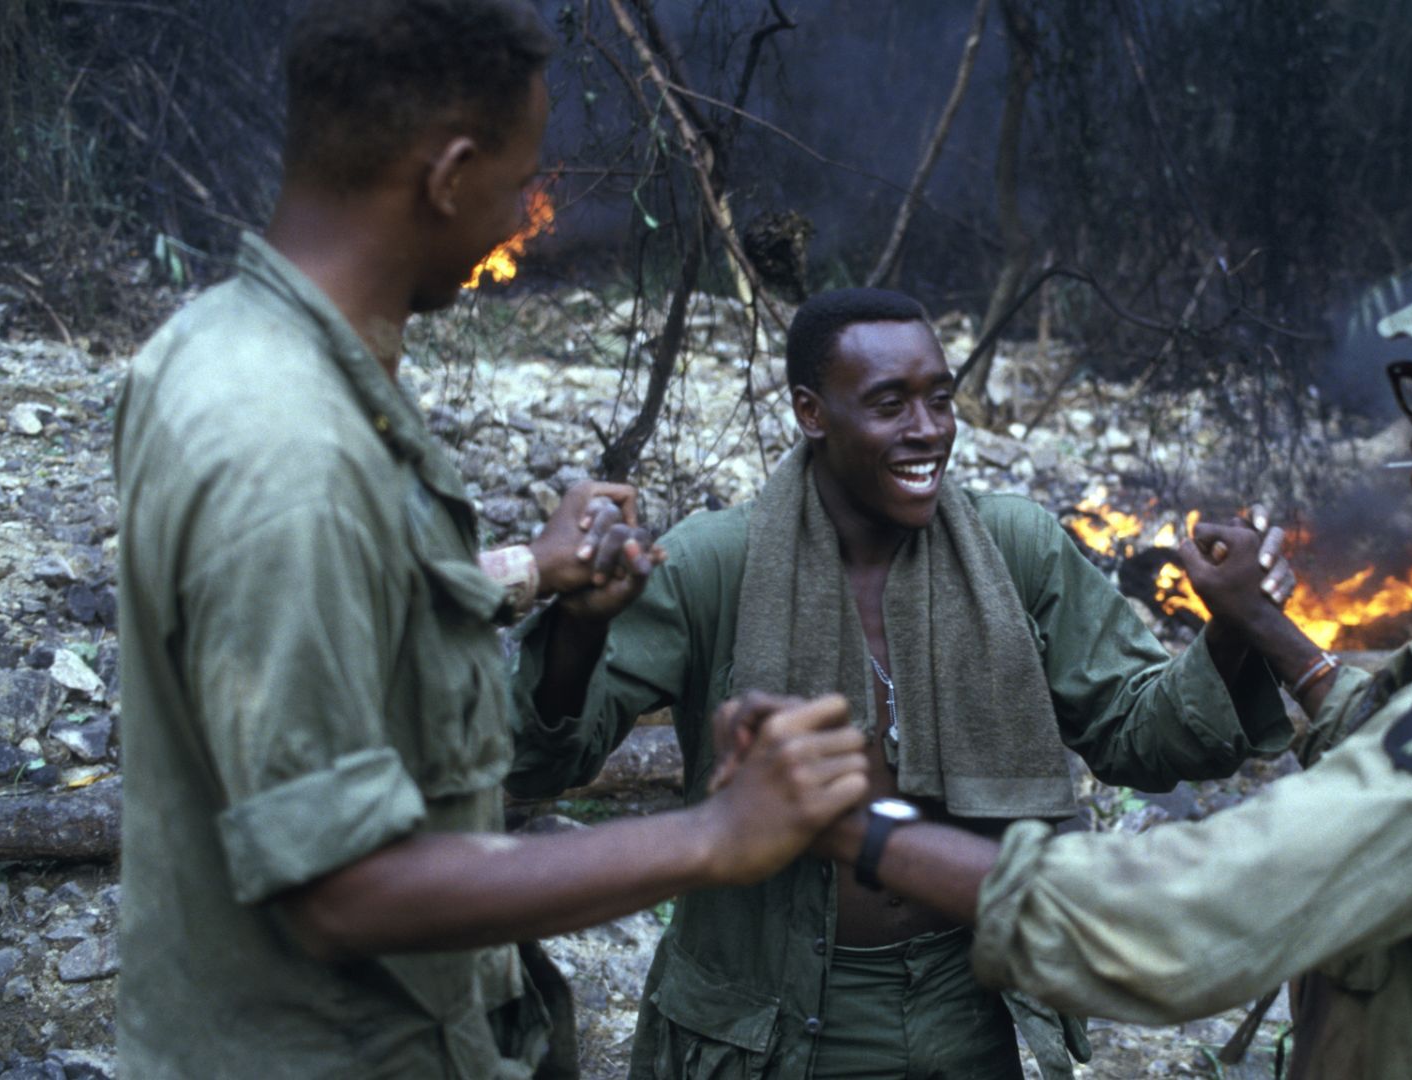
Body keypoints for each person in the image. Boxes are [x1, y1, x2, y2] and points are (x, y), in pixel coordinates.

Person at [777, 217, 1412, 1078]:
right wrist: (1264, 629)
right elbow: (1411, 749)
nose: (1410, 420)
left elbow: (1187, 920)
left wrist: (865, 831)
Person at [111, 3, 869, 1077]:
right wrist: (713, 836)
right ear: (448, 173)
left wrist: (530, 573)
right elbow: (343, 889)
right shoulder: (289, 450)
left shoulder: (230, 350)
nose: (525, 219)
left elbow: (336, 603)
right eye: (521, 185)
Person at [506, 287, 1298, 1078]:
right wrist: (578, 627)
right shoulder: (718, 563)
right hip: (762, 1028)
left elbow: (1138, 736)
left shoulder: (1013, 548)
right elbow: (539, 762)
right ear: (812, 413)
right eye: (890, 404)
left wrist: (1232, 629)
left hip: (966, 1010)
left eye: (940, 399)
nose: (928, 430)